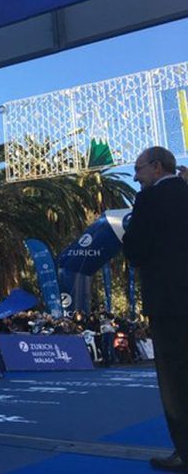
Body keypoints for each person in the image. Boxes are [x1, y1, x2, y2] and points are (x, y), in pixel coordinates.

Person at [122, 146, 188, 472]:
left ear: (157, 167)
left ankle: (185, 452)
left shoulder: (149, 200)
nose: (135, 177)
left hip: (169, 302)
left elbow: (134, 249)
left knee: (177, 382)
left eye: (138, 169)